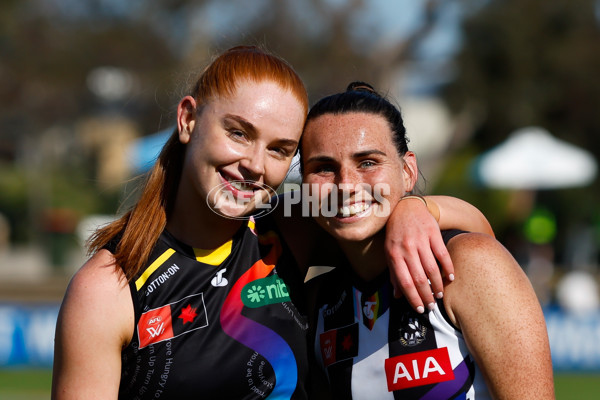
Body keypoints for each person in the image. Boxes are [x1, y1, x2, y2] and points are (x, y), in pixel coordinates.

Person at [51, 46, 493, 399]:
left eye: (280, 149)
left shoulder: (285, 225)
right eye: (238, 133)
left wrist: (416, 210)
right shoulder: (108, 287)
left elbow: (478, 231)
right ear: (188, 119)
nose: (254, 165)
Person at [302, 82, 555, 399]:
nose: (346, 185)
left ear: (408, 171)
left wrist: (419, 206)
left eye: (367, 162)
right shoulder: (316, 299)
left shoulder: (470, 263)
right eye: (323, 168)